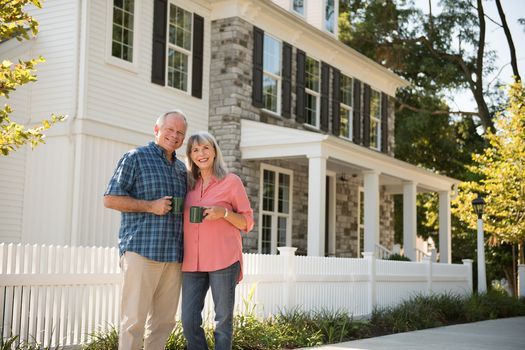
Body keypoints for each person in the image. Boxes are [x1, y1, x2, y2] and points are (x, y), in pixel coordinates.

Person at [103, 110, 188, 350]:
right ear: (157, 129)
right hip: (141, 250)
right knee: (134, 322)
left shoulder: (182, 169)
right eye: (170, 129)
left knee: (164, 323)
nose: (174, 136)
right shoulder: (135, 157)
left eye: (180, 132)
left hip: (174, 256)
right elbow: (110, 199)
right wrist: (150, 206)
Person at [181, 131, 254, 350]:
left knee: (223, 321)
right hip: (192, 262)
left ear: (214, 151)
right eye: (195, 149)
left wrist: (224, 213)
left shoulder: (231, 182)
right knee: (188, 320)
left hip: (223, 259)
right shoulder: (187, 184)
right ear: (190, 155)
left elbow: (247, 222)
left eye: (205, 148)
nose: (201, 153)